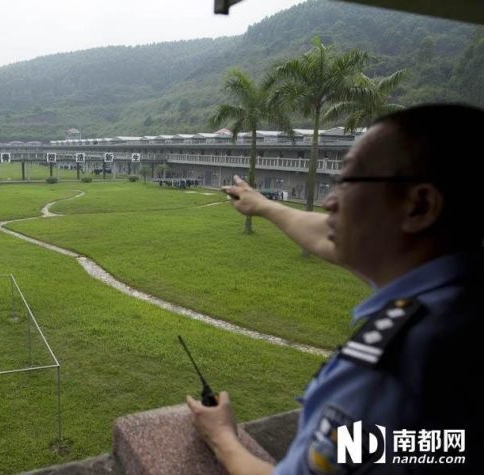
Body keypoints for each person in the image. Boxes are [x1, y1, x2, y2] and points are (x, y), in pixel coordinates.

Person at [186, 104, 484, 474]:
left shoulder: (394, 369)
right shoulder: (460, 296)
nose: (329, 201)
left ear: (420, 205)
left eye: (348, 181)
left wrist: (223, 438)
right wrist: (264, 206)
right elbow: (427, 448)